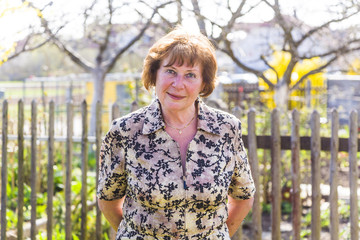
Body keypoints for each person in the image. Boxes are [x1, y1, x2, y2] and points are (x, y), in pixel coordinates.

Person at [97, 26, 255, 240]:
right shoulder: (125, 131)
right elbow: (108, 199)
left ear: (203, 83)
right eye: (170, 71)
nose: (178, 84)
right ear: (155, 74)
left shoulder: (226, 129)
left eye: (190, 75)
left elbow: (243, 197)